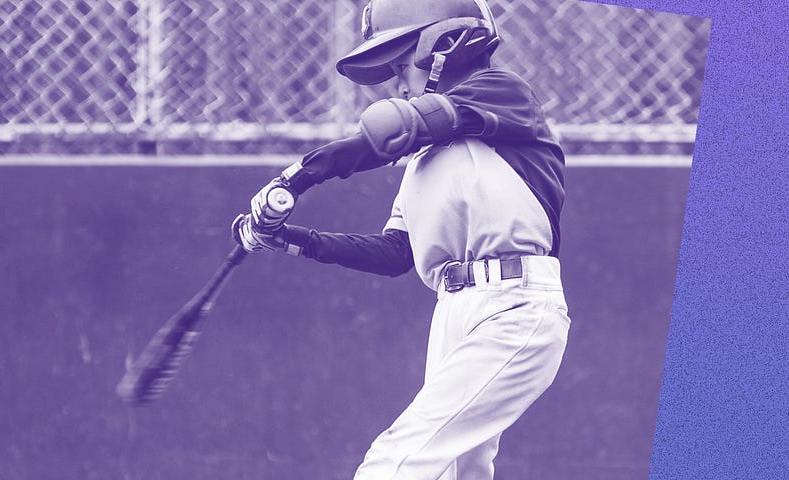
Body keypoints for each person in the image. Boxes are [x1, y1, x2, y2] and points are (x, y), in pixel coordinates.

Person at [231, 0, 570, 478]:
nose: (395, 81)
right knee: (457, 471)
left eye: (400, 61)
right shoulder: (426, 160)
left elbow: (393, 127)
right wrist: (290, 239)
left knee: (397, 461)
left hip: (514, 305)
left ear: (444, 44)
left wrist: (298, 176)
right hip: (454, 310)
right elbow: (395, 255)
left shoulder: (502, 93)